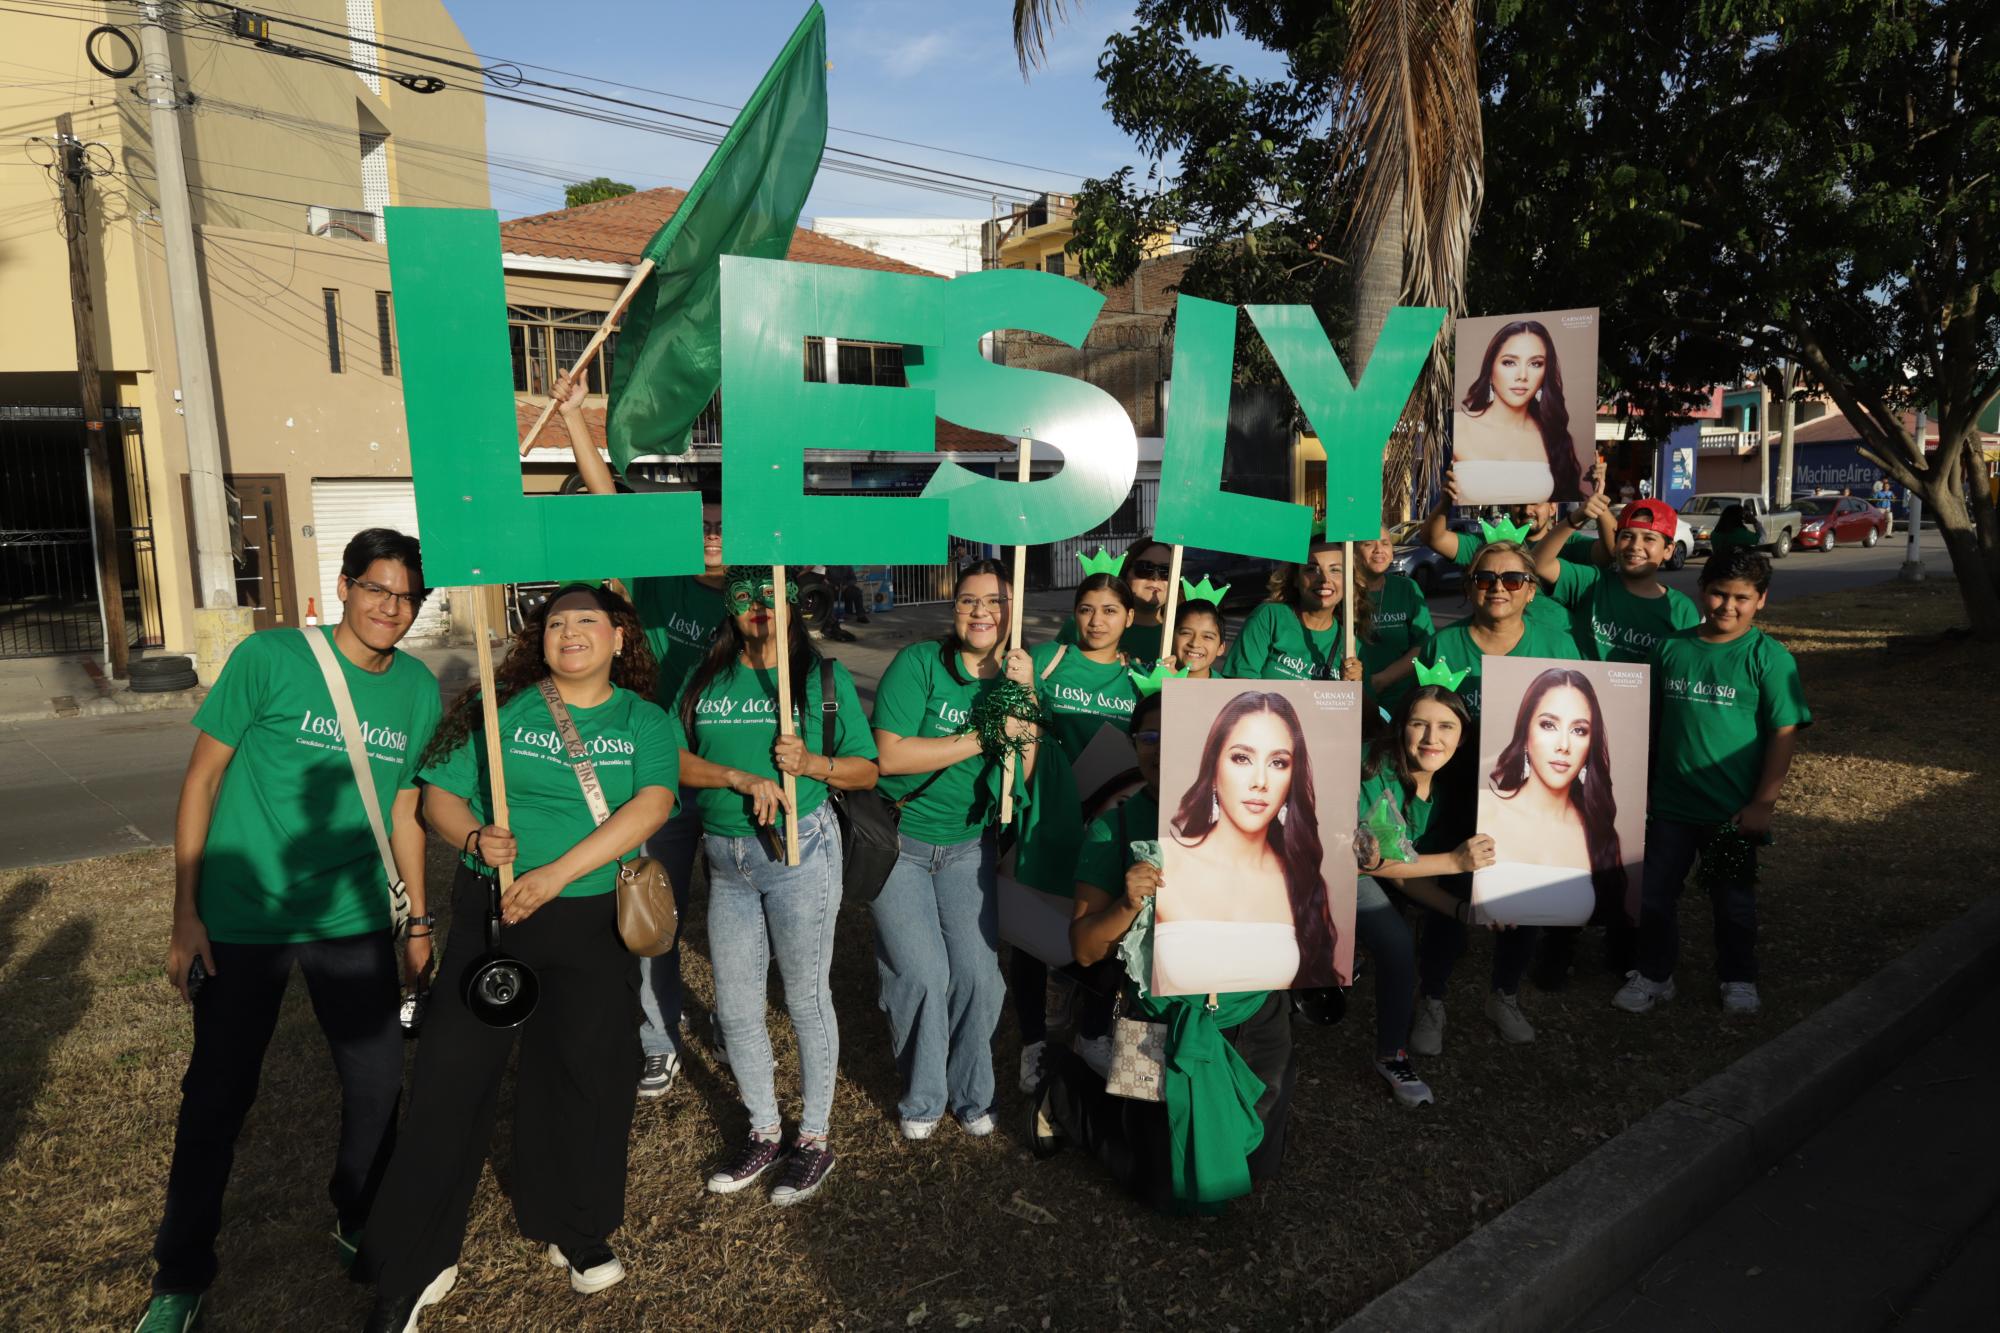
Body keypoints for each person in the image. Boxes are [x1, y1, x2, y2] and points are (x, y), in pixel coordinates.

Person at [137, 531, 439, 1333]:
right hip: (244, 919)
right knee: (216, 1098)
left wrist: (417, 916)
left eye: (407, 596)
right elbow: (202, 779)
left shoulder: (417, 688)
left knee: (377, 1087)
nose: (391, 607)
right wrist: (185, 911)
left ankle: (358, 1213)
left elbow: (405, 809)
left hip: (352, 919)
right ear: (343, 586)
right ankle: (181, 1271)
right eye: (377, 588)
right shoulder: (269, 659)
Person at [356, 584, 676, 1329]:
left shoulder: (645, 720)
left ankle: (574, 1224)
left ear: (620, 639)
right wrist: (473, 837)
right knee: (449, 1079)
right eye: (556, 622)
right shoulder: (500, 707)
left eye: (586, 622)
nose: (569, 633)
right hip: (492, 918)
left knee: (586, 1074)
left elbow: (651, 805)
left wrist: (554, 875)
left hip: (593, 918)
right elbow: (439, 796)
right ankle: (415, 1261)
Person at [1033, 688, 1297, 1213]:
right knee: (1157, 1187)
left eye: (1178, 735)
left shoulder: (1259, 813)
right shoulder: (1117, 827)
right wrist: (1127, 903)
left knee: (1254, 1166)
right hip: (1156, 1019)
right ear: (1135, 745)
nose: (1162, 747)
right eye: (1149, 735)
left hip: (1254, 1013)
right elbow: (1084, 951)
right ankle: (1065, 1088)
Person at [671, 568, 879, 1205]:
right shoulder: (705, 677)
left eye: (772, 596)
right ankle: (764, 1129)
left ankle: (813, 1138)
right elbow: (672, 757)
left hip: (800, 851)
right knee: (734, 1006)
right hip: (726, 858)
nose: (758, 608)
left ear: (793, 606)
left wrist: (812, 764)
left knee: (804, 997)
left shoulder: (821, 677)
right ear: (729, 608)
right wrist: (738, 777)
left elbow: (867, 770)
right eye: (745, 597)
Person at [558, 381, 727, 1098]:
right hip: (661, 785)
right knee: (653, 913)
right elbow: (609, 502)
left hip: (730, 785)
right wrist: (572, 418)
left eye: (725, 526)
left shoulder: (757, 601)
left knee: (731, 921)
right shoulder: (657, 583)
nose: (714, 537)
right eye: (705, 525)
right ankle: (658, 1037)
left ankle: (728, 1014)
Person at [870, 560, 1040, 1140]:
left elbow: (1023, 773)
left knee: (978, 976)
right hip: (900, 842)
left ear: (1011, 611)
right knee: (921, 974)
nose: (980, 612)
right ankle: (922, 1099)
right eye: (969, 601)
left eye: (993, 601)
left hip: (970, 845)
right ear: (953, 609)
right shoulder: (919, 664)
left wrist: (1027, 695)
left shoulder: (1018, 678)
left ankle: (973, 1095)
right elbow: (890, 757)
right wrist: (981, 736)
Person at [1616, 548, 1810, 1018]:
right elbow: (1651, 725)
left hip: (1731, 812)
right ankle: (1656, 975)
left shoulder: (1770, 659)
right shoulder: (1670, 649)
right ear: (1701, 591)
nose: (1728, 605)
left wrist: (1763, 802)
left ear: (1760, 600)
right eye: (1719, 593)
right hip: (1669, 809)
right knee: (1657, 896)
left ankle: (1738, 977)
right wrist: (1637, 786)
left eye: (1741, 597)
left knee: (1732, 903)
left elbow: (1783, 732)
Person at [1017, 573, 1143, 1089]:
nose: (1097, 621)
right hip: (1047, 812)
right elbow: (1019, 722)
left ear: (1130, 618)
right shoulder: (1047, 660)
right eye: (1087, 609)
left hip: (1107, 826)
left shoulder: (1139, 679)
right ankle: (1033, 1043)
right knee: (1028, 928)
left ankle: (1093, 1028)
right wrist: (1021, 681)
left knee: (1104, 924)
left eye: (1110, 611)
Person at [1351, 686, 1500, 1102]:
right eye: (1419, 724)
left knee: (1406, 932)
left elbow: (1406, 872)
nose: (1432, 737)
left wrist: (1461, 909)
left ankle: (1402, 1037)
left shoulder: (1458, 787)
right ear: (1401, 728)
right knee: (1396, 941)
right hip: (1331, 871)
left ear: (1463, 736)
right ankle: (1389, 1051)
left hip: (1391, 873)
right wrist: (1454, 863)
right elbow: (1370, 863)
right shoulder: (1371, 767)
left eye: (1446, 726)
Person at [1154, 690, 1338, 993]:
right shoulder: (1164, 861)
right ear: (1213, 769)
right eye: (1242, 758)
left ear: (1292, 778)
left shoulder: (1303, 881)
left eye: (1278, 763)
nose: (1260, 781)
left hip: (1264, 1036)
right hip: (1175, 1032)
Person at [1477, 668, 1629, 927]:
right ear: (1525, 734)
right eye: (1548, 725)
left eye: (1579, 730)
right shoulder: (1486, 809)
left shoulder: (1599, 834)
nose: (1564, 745)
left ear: (1590, 744)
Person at [1420, 466, 1610, 635]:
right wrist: (1445, 502)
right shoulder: (1492, 545)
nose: (1527, 510)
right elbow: (1433, 538)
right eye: (1519, 503)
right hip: (1499, 651)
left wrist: (1599, 502)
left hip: (1554, 652)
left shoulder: (1571, 543)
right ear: (1510, 507)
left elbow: (1610, 553)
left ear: (1552, 508)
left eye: (1536, 502)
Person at [1416, 540, 1583, 722]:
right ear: (1469, 589)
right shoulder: (1440, 645)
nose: (1498, 587)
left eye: (1513, 580)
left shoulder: (1560, 647)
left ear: (1531, 591)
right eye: (1485, 579)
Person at [1531, 496, 1700, 664]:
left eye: (1649, 538)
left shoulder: (1681, 610)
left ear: (1668, 550)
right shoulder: (1590, 582)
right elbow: (1538, 564)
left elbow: (1682, 669)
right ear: (1616, 542)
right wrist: (1575, 519)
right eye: (1627, 536)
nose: (1635, 546)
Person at [1451, 319, 1588, 501]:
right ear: (1490, 370)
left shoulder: (1553, 435)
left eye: (1535, 364)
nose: (1522, 376)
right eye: (1509, 362)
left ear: (1544, 373)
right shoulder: (1457, 426)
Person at [1219, 539, 1367, 684]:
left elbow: (1365, 708)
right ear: (1296, 578)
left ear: (1349, 581)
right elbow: (1238, 689)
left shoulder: (1350, 644)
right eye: (1311, 569)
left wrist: (1354, 687)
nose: (1324, 579)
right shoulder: (1269, 617)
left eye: (1335, 570)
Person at [1056, 536, 1174, 661]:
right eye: (1145, 567)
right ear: (1125, 572)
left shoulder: (1184, 634)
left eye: (1166, 570)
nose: (1155, 577)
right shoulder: (1084, 626)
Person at [1354, 526, 1435, 703]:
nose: (1379, 550)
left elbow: (1423, 645)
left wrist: (1381, 680)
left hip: (1400, 699)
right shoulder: (1341, 592)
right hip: (1351, 697)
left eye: (1385, 543)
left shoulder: (1407, 588)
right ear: (1353, 552)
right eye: (1368, 544)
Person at [1169, 599, 1229, 679]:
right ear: (1170, 638)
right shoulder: (1152, 685)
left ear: (1220, 648)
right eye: (1186, 633)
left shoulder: (1227, 690)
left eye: (1207, 637)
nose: (1195, 644)